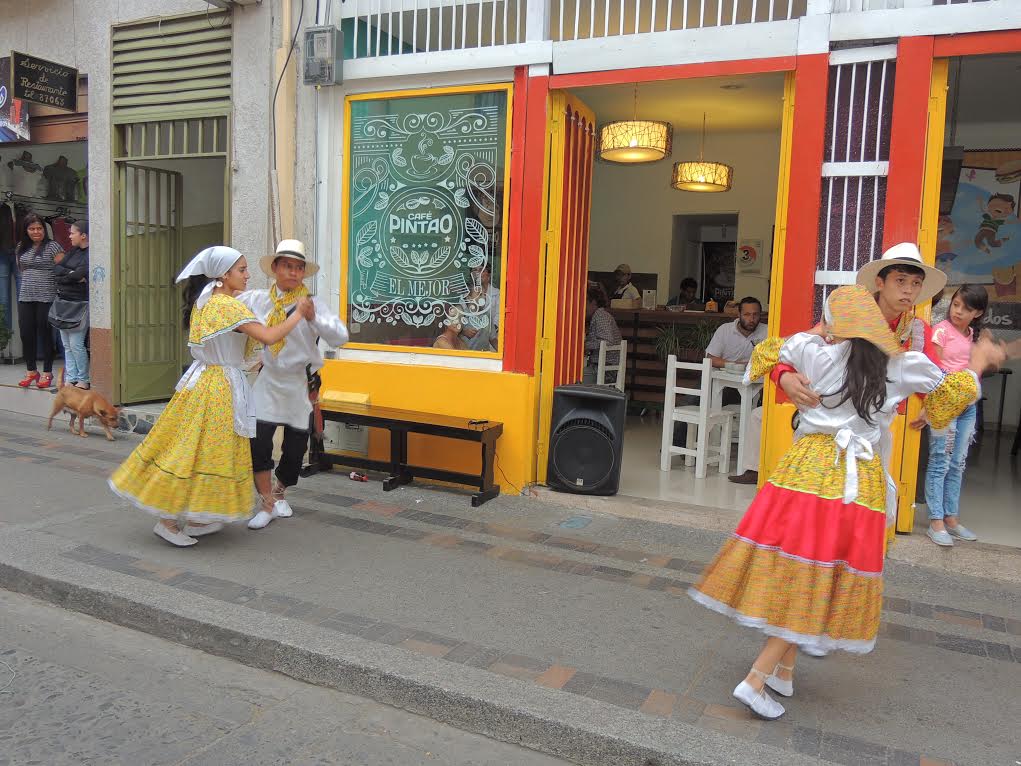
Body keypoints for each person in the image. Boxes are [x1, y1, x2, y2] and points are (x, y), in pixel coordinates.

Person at [689, 284, 1003, 721]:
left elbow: (764, 354)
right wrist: (978, 365)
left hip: (803, 470)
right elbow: (948, 400)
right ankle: (756, 679)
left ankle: (784, 670)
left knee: (806, 565)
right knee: (820, 574)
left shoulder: (814, 351)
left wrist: (786, 373)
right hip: (852, 481)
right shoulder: (902, 365)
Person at [109, 246, 313, 548]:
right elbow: (269, 336)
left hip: (209, 381)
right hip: (216, 387)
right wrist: (300, 314)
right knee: (191, 451)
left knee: (206, 451)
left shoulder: (209, 299)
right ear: (223, 274)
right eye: (241, 270)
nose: (247, 275)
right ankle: (167, 521)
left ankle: (197, 518)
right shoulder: (224, 305)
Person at [771, 243, 946, 503]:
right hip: (824, 432)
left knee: (864, 507)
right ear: (880, 282)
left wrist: (932, 402)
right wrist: (783, 375)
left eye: (916, 283)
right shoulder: (848, 315)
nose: (908, 290)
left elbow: (934, 380)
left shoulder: (916, 331)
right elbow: (791, 347)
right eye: (900, 280)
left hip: (870, 432)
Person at [239, 239, 349, 531]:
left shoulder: (313, 303)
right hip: (269, 378)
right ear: (275, 268)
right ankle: (266, 502)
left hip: (301, 382)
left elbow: (340, 337)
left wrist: (314, 318)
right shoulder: (258, 300)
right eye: (287, 266)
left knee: (295, 445)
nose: (293, 273)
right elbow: (227, 307)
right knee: (258, 440)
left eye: (299, 268)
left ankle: (280, 491)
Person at [924, 284, 988, 546]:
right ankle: (935, 520)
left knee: (957, 463)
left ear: (978, 313)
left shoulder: (973, 334)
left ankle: (952, 518)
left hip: (967, 408)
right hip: (944, 408)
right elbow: (934, 372)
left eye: (966, 308)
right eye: (956, 304)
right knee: (940, 461)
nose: (958, 311)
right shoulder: (941, 331)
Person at [701, 297, 768, 484]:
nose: (751, 319)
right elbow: (710, 358)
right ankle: (688, 447)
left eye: (755, 315)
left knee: (757, 411)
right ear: (739, 315)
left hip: (755, 385)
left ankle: (751, 461)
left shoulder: (767, 331)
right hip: (723, 381)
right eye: (747, 314)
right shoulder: (725, 330)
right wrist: (733, 364)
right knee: (693, 402)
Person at [16, 212, 64, 389]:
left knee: (45, 334)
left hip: (46, 297)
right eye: (32, 228)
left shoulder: (53, 246)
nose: (36, 232)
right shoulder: (21, 246)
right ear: (26, 230)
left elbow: (61, 270)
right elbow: (21, 268)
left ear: (45, 229)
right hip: (26, 296)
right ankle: (31, 371)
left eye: (39, 228)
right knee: (26, 333)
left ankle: (47, 372)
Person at [52, 221, 90, 389]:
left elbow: (82, 274)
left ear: (83, 235)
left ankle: (83, 379)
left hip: (80, 303)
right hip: (64, 301)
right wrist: (71, 274)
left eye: (72, 233)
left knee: (76, 344)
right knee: (66, 344)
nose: (69, 236)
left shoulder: (90, 253)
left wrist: (72, 275)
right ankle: (71, 378)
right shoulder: (73, 251)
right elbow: (57, 269)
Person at [583, 285, 622, 384]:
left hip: (605, 370)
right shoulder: (600, 315)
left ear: (594, 302)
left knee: (573, 377)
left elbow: (608, 341)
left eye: (585, 302)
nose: (582, 306)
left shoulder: (601, 316)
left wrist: (585, 345)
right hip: (605, 367)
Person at [460, 264, 500, 351]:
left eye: (481, 270)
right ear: (468, 297)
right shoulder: (463, 313)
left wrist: (485, 329)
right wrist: (463, 331)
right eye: (475, 270)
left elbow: (493, 337)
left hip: (485, 350)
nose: (478, 273)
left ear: (488, 274)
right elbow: (454, 326)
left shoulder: (497, 294)